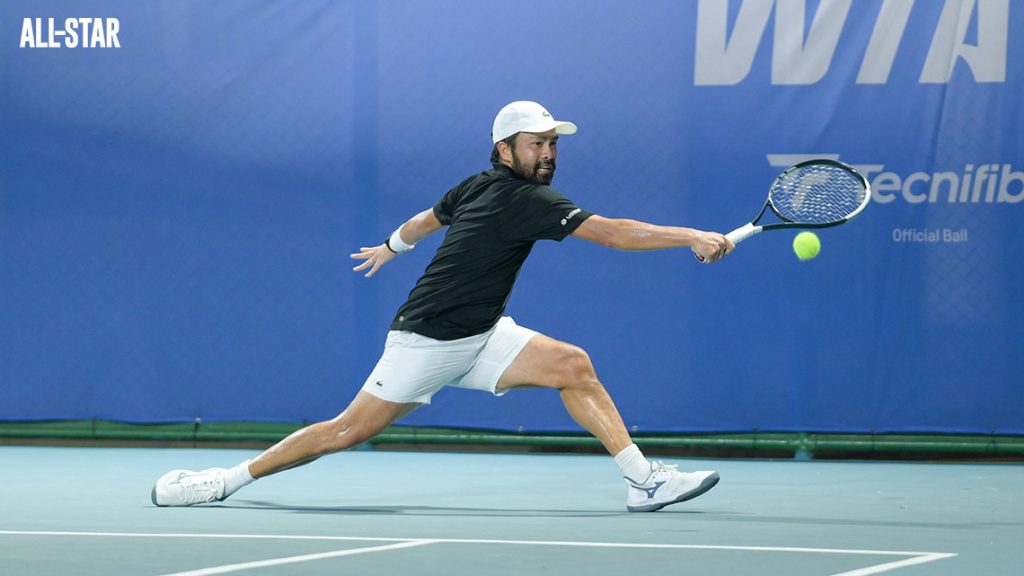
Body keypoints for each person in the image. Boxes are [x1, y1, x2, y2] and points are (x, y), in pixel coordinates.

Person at [152, 101, 733, 512]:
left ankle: (643, 481)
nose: (549, 153)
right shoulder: (521, 197)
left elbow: (424, 222)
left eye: (553, 143)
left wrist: (389, 246)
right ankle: (221, 482)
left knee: (572, 365)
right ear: (505, 149)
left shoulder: (475, 185)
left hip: (481, 334)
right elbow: (610, 233)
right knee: (346, 431)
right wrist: (691, 235)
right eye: (538, 143)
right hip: (427, 340)